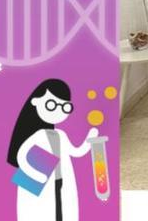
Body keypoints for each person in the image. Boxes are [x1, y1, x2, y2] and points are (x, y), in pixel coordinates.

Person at [8, 79, 99, 221]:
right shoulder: (36, 136)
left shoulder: (61, 135)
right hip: (39, 175)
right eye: (51, 104)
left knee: (63, 209)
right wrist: (34, 174)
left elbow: (76, 151)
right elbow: (22, 156)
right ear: (35, 102)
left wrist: (90, 140)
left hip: (61, 180)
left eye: (65, 107)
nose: (58, 111)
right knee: (38, 210)